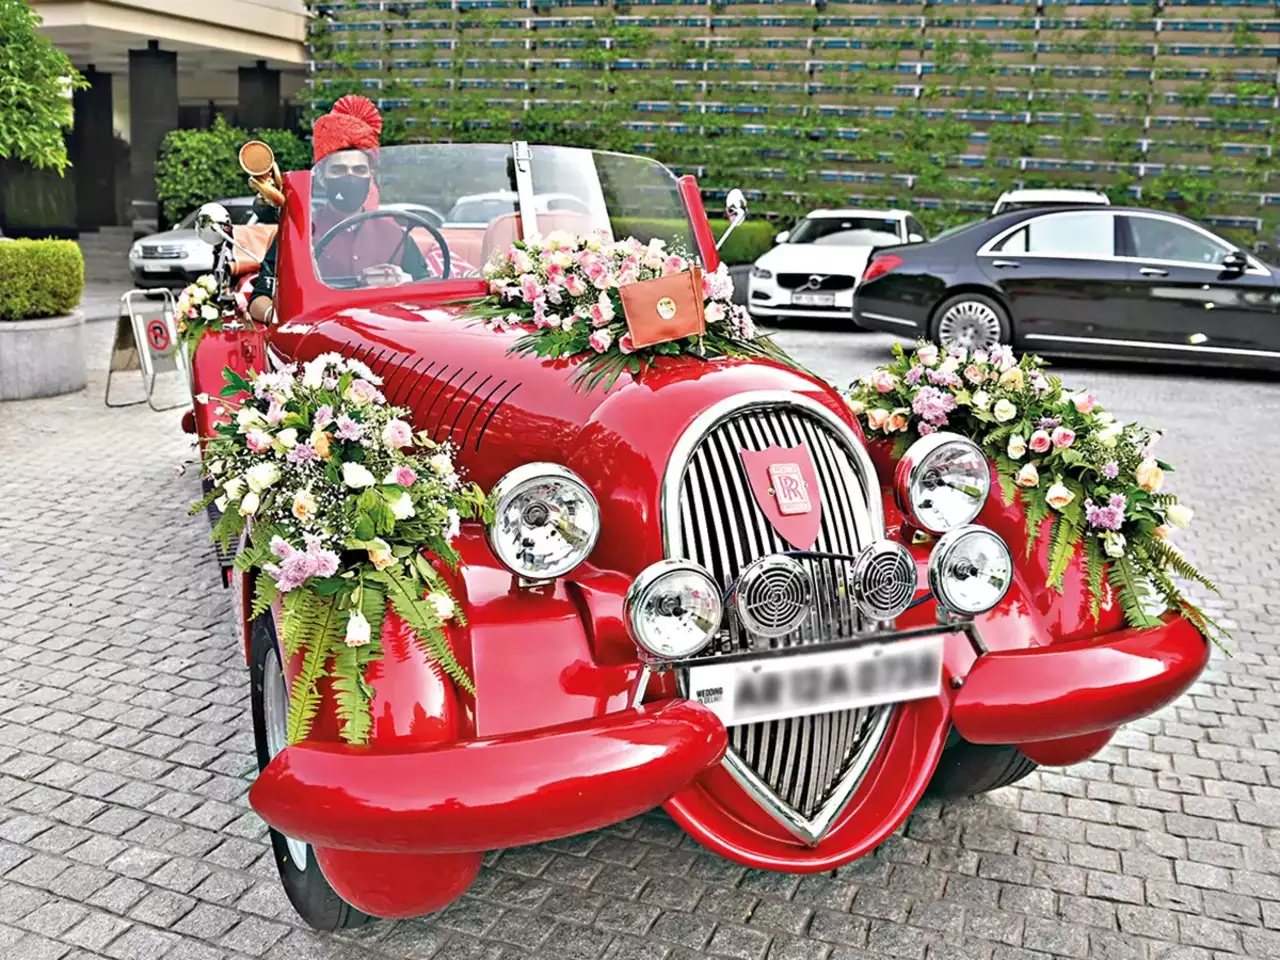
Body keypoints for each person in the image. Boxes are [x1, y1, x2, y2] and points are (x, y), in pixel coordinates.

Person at [248, 95, 463, 325]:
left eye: (359, 170)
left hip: (387, 338)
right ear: (322, 177)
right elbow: (259, 298)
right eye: (339, 170)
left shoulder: (395, 233)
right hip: (320, 340)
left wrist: (403, 281)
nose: (350, 177)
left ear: (370, 175)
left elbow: (429, 288)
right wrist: (278, 317)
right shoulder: (300, 234)